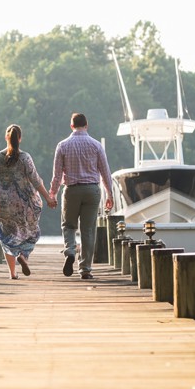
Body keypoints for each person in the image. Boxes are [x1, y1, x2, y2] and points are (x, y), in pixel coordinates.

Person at [0, 124, 56, 279]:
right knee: (30, 233)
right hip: (24, 207)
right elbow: (36, 181)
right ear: (20, 138)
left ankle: (12, 273)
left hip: (2, 208)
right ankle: (23, 256)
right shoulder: (25, 158)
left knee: (7, 238)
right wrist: (48, 198)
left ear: (6, 137)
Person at [49, 112, 114, 279]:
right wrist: (110, 194)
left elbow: (57, 175)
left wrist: (53, 194)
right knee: (88, 231)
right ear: (87, 125)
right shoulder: (96, 145)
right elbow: (105, 172)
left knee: (68, 225)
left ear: (71, 126)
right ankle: (85, 269)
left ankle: (70, 250)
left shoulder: (62, 145)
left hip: (71, 190)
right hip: (92, 191)